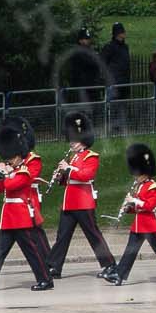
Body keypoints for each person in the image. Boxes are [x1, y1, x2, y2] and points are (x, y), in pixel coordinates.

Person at [0, 121, 52, 292]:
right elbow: (2, 188)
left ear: (19, 155)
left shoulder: (23, 171)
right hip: (9, 217)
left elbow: (13, 185)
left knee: (32, 252)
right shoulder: (14, 169)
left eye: (12, 158)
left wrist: (6, 173)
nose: (10, 160)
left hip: (21, 217)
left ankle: (45, 279)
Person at [43, 112, 116, 278]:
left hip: (83, 202)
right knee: (62, 236)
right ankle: (54, 266)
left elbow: (86, 176)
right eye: (71, 139)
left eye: (74, 140)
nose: (72, 143)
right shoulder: (72, 157)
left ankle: (109, 264)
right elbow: (68, 179)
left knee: (93, 235)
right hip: (69, 202)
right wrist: (60, 174)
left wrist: (68, 169)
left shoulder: (91, 156)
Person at [102, 143, 156, 286]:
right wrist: (128, 208)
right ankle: (119, 275)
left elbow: (149, 206)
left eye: (138, 174)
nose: (135, 176)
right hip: (138, 225)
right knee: (130, 251)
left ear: (145, 173)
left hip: (149, 224)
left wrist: (134, 200)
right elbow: (138, 207)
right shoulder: (139, 186)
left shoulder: (154, 187)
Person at [98, 22, 131, 105]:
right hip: (114, 82)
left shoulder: (125, 47)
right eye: (122, 32)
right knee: (113, 106)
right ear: (118, 34)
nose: (124, 34)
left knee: (122, 106)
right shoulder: (109, 47)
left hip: (124, 82)